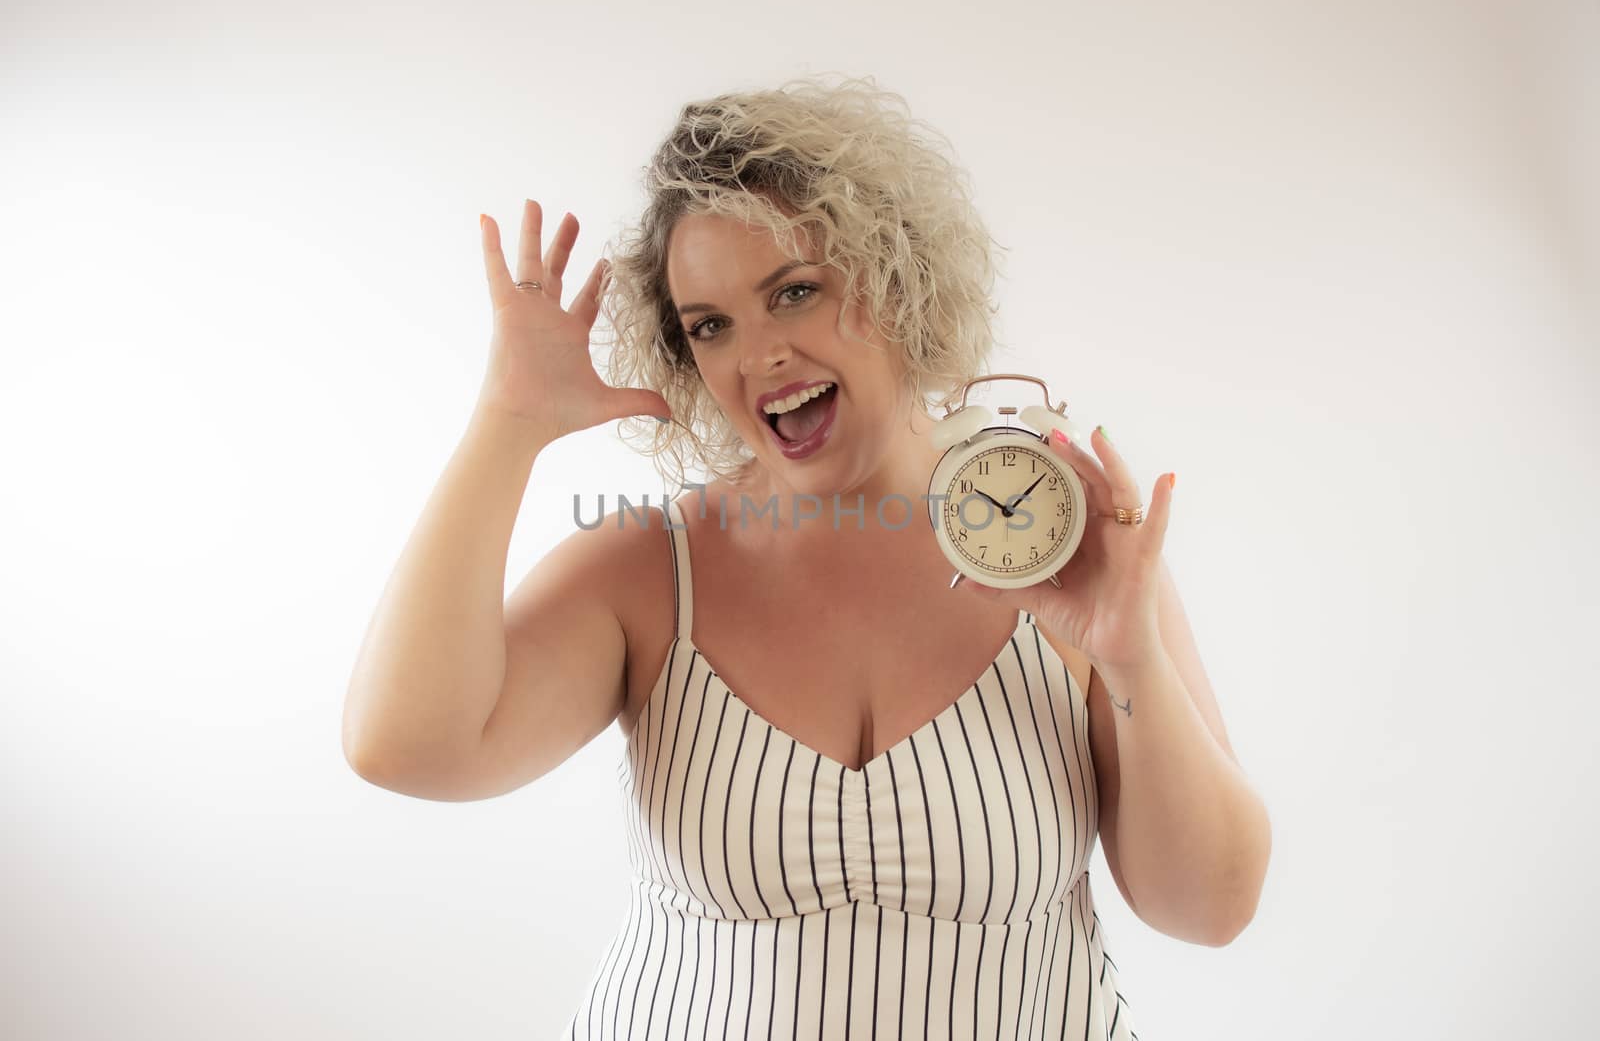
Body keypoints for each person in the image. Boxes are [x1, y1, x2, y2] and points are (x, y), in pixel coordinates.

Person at [343, 75, 1268, 1040]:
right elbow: (406, 746)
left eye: (795, 292)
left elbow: (1208, 910)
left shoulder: (1064, 549)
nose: (760, 355)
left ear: (899, 279)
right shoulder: (649, 570)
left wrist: (1131, 660)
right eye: (711, 325)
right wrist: (508, 424)